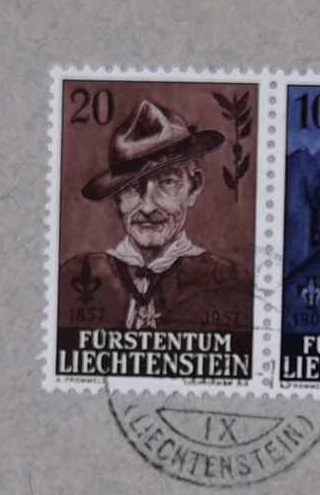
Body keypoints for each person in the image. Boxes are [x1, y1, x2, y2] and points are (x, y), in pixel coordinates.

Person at [57, 99, 252, 341]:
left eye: (168, 182)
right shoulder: (73, 277)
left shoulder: (232, 284)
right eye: (131, 187)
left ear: (194, 187)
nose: (148, 207)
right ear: (116, 197)